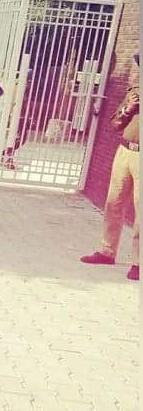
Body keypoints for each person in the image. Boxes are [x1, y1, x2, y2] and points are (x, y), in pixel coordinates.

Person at [80, 53, 139, 281]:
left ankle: (138, 262)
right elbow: (115, 124)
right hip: (124, 151)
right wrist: (129, 108)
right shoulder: (135, 91)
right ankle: (107, 251)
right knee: (114, 203)